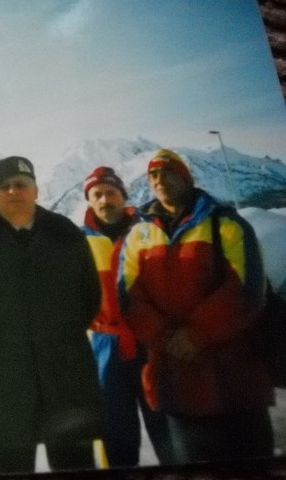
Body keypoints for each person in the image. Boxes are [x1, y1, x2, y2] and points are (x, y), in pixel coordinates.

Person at [0, 156, 103, 475]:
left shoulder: (66, 235)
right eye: (5, 187)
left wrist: (57, 336)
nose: (14, 192)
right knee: (9, 475)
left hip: (66, 374)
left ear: (36, 190)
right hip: (5, 379)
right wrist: (2, 344)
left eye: (21, 185)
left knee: (77, 475)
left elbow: (90, 298)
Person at [118, 148, 275, 464]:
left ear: (186, 177)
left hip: (237, 382)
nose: (160, 179)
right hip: (177, 384)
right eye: (153, 175)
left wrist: (195, 335)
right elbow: (129, 297)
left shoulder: (226, 224)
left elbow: (248, 289)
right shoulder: (138, 236)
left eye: (168, 171)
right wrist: (165, 337)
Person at [81, 166, 172, 467]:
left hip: (151, 341)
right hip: (106, 347)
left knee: (167, 429)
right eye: (98, 195)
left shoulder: (148, 232)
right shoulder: (78, 244)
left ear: (123, 196)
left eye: (111, 193)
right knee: (115, 436)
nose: (105, 200)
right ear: (90, 201)